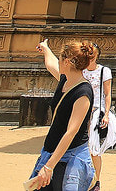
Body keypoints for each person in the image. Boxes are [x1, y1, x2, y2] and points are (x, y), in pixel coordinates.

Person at [30, 40, 97, 191]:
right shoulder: (65, 80)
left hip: (71, 157)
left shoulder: (83, 92)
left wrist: (49, 166)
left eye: (60, 58)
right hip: (51, 151)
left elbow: (71, 132)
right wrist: (45, 48)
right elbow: (51, 63)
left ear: (67, 62)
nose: (58, 61)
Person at [82, 43, 116, 191]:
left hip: (96, 112)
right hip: (81, 111)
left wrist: (106, 114)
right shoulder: (80, 71)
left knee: (93, 149)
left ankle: (96, 180)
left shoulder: (104, 71)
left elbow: (107, 94)